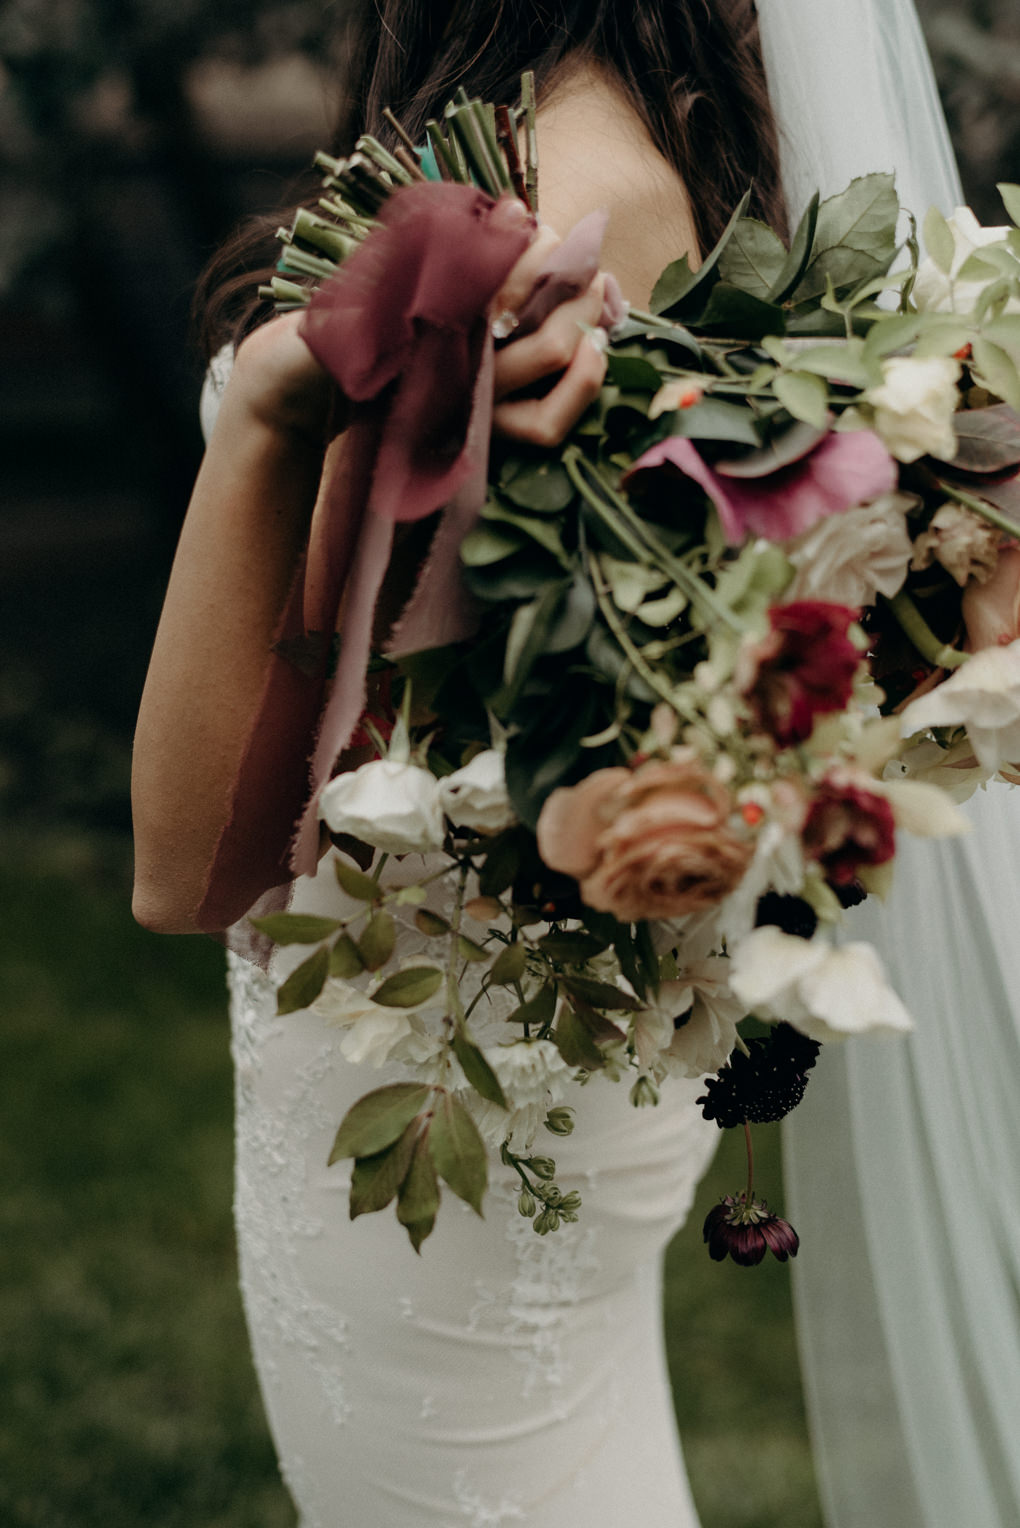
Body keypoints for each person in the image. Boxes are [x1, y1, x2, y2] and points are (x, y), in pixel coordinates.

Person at [133, 2, 1020, 1524]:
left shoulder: (538, 213)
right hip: (561, 1068)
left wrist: (272, 404)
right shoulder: (716, 170)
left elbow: (182, 864)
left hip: (442, 1088)